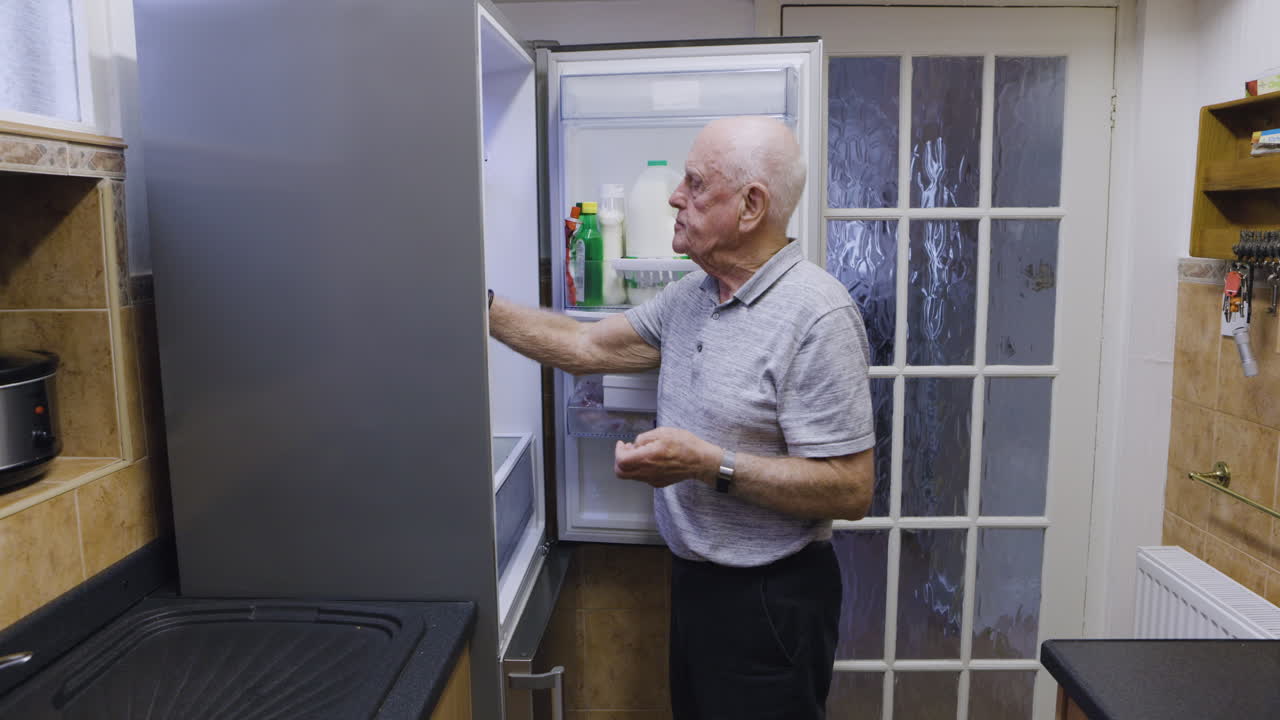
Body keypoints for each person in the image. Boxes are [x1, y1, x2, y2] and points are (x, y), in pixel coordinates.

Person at [489, 116, 874, 718]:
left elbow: (850, 488)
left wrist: (706, 463)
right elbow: (587, 347)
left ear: (751, 206)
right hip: (695, 584)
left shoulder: (817, 317)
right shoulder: (692, 296)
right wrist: (484, 308)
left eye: (695, 184)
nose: (674, 195)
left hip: (772, 598)